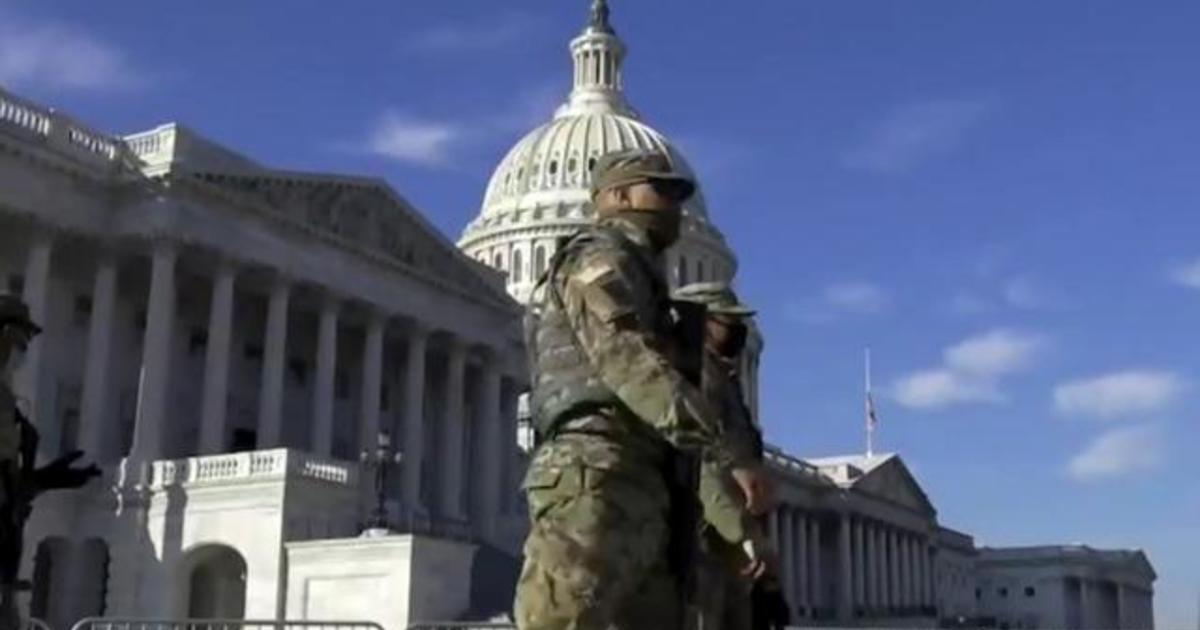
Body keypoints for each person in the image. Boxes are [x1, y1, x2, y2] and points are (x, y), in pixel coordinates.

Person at [514, 149, 772, 630]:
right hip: (594, 469)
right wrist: (720, 450)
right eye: (662, 189)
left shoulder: (642, 278)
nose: (675, 205)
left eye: (679, 193)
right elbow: (630, 364)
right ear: (617, 195)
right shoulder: (598, 256)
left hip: (648, 477)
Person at [674, 282, 789, 630]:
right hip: (707, 538)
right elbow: (701, 463)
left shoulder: (725, 381)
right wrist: (745, 537)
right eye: (729, 321)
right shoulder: (696, 377)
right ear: (703, 322)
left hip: (729, 545)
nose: (738, 331)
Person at [0, 294, 99, 629]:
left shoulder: (7, 400)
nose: (21, 354)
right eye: (20, 342)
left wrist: (49, 478)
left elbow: (9, 476)